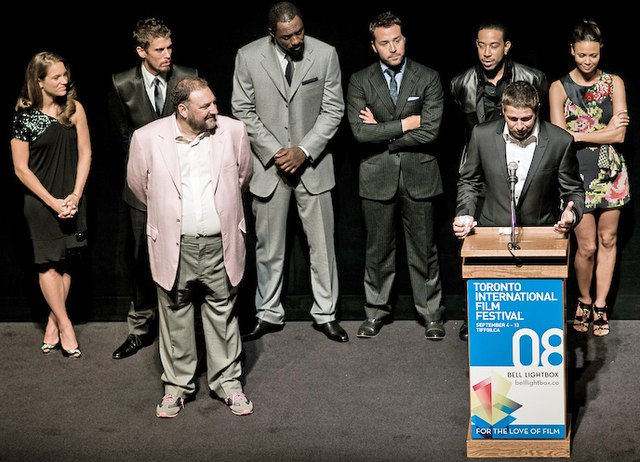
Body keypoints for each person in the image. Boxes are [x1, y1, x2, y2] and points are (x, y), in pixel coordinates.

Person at [127, 76, 254, 418]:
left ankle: (228, 383)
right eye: (206, 106)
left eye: (214, 102)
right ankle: (177, 388)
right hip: (174, 244)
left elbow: (242, 177)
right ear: (182, 110)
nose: (215, 109)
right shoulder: (147, 138)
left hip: (219, 243)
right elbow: (140, 187)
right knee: (174, 314)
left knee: (223, 313)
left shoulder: (233, 132)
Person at [231, 2, 348, 343]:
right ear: (272, 35)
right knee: (268, 248)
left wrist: (304, 150)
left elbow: (333, 109)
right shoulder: (248, 56)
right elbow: (242, 109)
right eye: (287, 37)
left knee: (322, 247)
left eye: (299, 32)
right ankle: (267, 313)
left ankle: (326, 314)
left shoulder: (325, 55)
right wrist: (276, 152)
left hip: (313, 166)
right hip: (270, 169)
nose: (296, 40)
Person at [346, 11, 447, 340]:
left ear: (405, 39)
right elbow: (360, 133)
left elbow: (430, 131)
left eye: (397, 40)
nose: (393, 48)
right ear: (374, 46)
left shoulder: (428, 77)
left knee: (424, 250)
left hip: (420, 175)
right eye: (385, 42)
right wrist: (405, 124)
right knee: (378, 250)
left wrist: (383, 132)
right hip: (376, 177)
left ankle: (431, 313)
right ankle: (375, 311)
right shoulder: (360, 80)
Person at [450, 20, 548, 341]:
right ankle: (475, 314)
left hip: (520, 162)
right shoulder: (460, 83)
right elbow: (464, 134)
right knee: (473, 241)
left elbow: (539, 124)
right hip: (481, 169)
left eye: (494, 45)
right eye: (481, 45)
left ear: (506, 46)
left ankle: (525, 311)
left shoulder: (532, 78)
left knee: (525, 235)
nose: (486, 52)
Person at [108, 17, 198, 359]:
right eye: (159, 49)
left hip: (183, 186)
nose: (167, 55)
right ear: (141, 50)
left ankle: (184, 327)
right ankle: (142, 327)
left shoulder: (186, 76)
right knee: (142, 257)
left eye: (170, 47)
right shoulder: (121, 84)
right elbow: (121, 140)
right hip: (141, 190)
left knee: (184, 255)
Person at [549, 19, 630, 337]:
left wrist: (579, 133)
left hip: (611, 172)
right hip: (576, 175)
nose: (587, 61)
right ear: (572, 51)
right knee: (586, 247)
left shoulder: (615, 83)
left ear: (600, 53)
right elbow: (559, 137)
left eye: (593, 56)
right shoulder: (558, 87)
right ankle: (582, 300)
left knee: (608, 240)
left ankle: (600, 304)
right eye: (582, 55)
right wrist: (604, 131)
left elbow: (621, 136)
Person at [10, 51, 91, 358]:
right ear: (39, 81)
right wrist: (53, 202)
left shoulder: (75, 110)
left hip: (73, 199)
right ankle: (66, 324)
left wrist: (75, 196)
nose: (64, 81)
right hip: (41, 203)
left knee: (68, 259)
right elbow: (21, 169)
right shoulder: (24, 117)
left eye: (64, 75)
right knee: (48, 263)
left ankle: (52, 322)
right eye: (56, 76)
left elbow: (86, 154)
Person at [453, 80, 584, 240]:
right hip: (492, 232)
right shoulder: (482, 135)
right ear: (503, 110)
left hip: (541, 234)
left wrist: (572, 214)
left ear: (537, 110)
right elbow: (469, 182)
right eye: (513, 119)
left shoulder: (560, 141)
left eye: (527, 118)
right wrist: (465, 214)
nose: (520, 126)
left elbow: (573, 190)